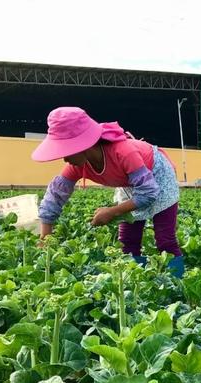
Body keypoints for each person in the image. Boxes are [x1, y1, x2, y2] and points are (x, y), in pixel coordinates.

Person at [32, 106, 184, 277]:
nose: (65, 158)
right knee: (127, 241)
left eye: (67, 151)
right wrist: (45, 238)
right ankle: (134, 285)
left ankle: (177, 286)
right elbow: (54, 197)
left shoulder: (123, 152)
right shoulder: (76, 165)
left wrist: (111, 212)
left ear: (84, 145)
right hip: (130, 184)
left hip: (158, 175)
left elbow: (148, 193)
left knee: (165, 240)